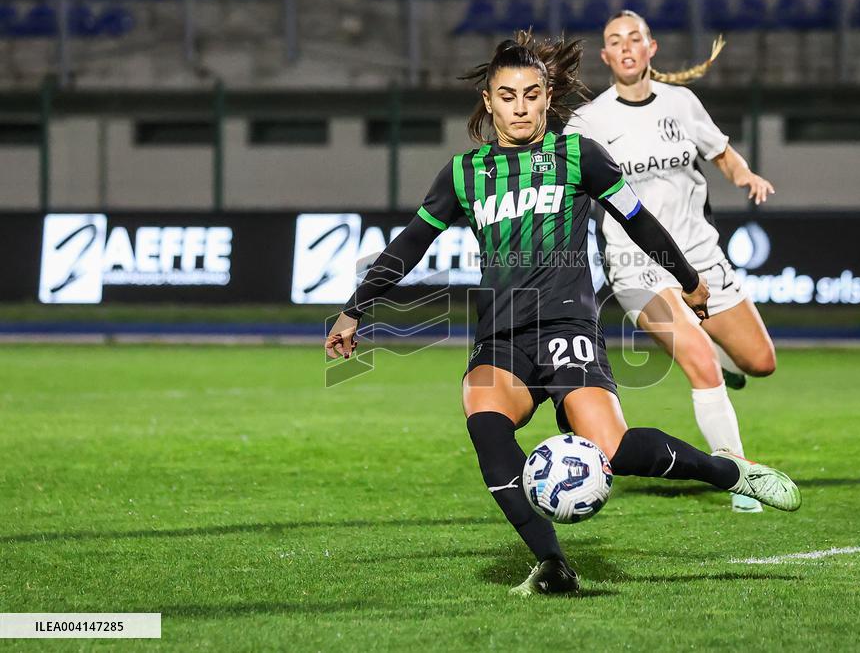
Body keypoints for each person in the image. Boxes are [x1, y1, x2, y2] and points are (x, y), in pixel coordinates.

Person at [325, 33, 799, 597]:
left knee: (616, 451)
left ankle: (730, 471)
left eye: (530, 94)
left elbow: (639, 221)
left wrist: (692, 283)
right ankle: (552, 563)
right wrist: (355, 309)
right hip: (500, 336)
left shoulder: (578, 156)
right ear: (488, 99)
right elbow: (408, 246)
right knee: (485, 422)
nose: (519, 106)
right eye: (507, 95)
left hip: (567, 327)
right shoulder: (465, 173)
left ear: (548, 98)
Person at [564, 11, 779, 513]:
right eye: (614, 41)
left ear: (651, 47)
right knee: (701, 364)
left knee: (761, 362)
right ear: (605, 56)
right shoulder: (592, 120)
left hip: (701, 256)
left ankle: (725, 361)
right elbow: (560, 164)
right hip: (636, 267)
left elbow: (721, 151)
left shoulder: (682, 103)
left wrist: (745, 175)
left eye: (633, 38)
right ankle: (739, 475)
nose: (625, 47)